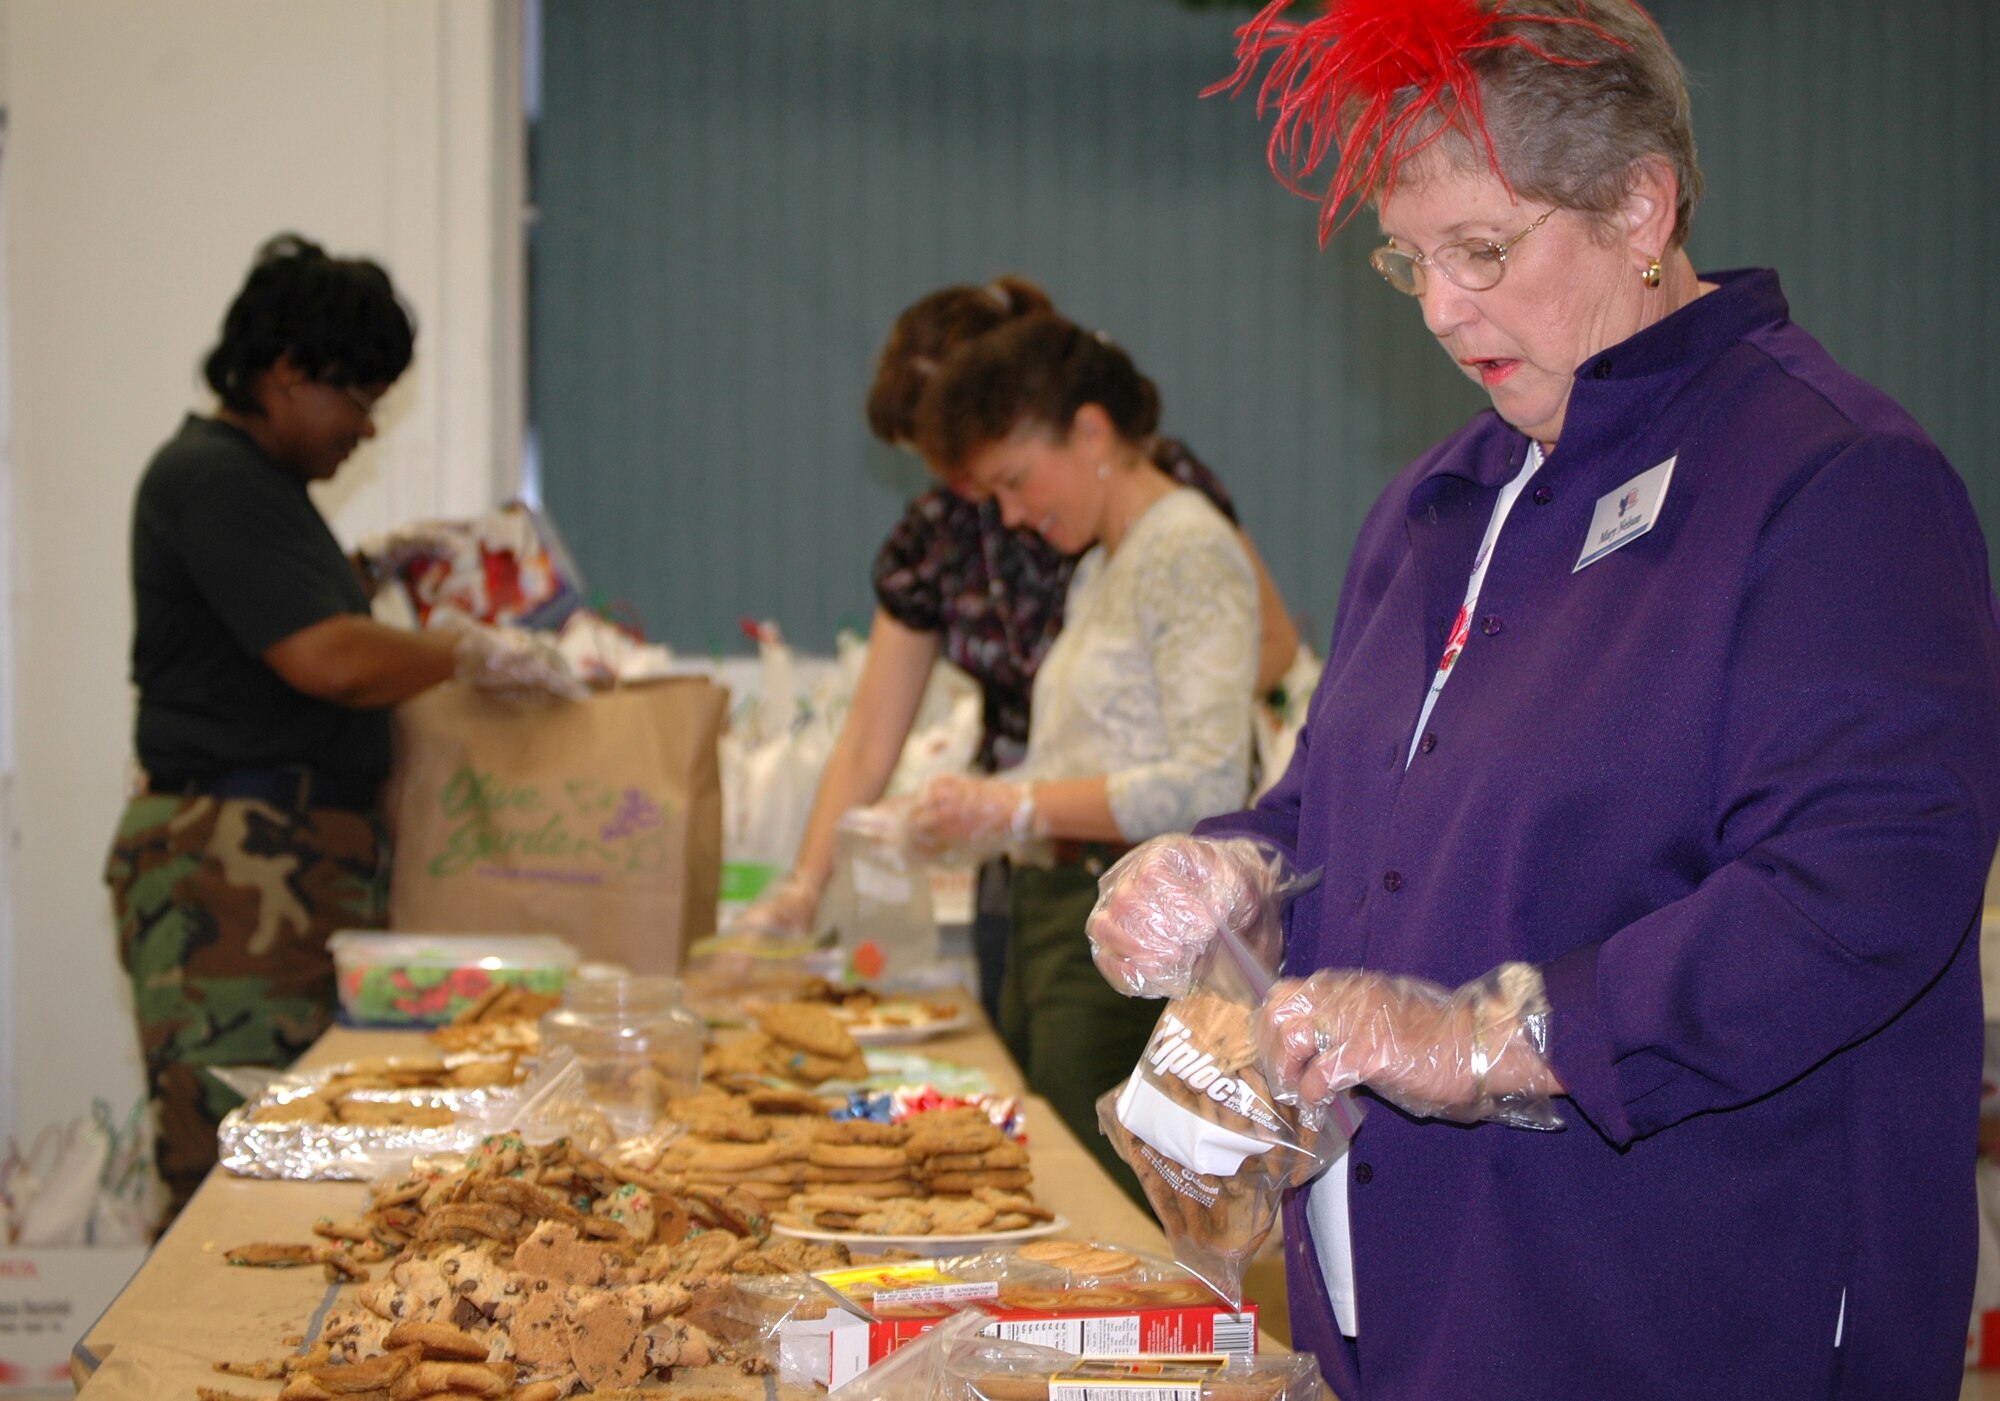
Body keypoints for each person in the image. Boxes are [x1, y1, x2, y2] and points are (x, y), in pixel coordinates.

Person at [1083, 1, 2000, 1396]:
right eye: (1412, 262)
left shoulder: (1829, 481)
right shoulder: (1441, 498)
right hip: (1421, 1308)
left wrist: (1502, 1038)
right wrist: (1237, 868)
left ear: (1641, 205)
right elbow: (1355, 809)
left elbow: (1860, 888)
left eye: (1485, 252)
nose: (1445, 311)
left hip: (1683, 1314)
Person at [104, 233, 579, 1221]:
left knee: (310, 1165)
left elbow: (307, 631)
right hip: (229, 881)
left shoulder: (268, 496)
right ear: (284, 374)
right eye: (358, 399)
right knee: (236, 1170)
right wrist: (462, 648)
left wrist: (372, 573)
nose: (364, 430)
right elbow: (327, 659)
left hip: (289, 867)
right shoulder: (211, 477)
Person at [735, 277, 1299, 1027]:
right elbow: (872, 736)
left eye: (994, 470)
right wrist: (819, 876)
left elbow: (1218, 733)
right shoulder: (1028, 546)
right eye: (948, 468)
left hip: (1131, 875)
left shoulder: (1165, 522)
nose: (991, 502)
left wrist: (1057, 788)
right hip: (1040, 874)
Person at [889, 311, 1260, 1204]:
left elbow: (1208, 778)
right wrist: (979, 804)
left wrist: (1018, 808)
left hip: (1130, 937)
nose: (1010, 514)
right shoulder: (1105, 565)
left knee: (1100, 1220)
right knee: (1049, 1199)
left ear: (1093, 431)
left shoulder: (1188, 546)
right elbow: (1094, 755)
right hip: (1060, 911)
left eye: (1016, 481)